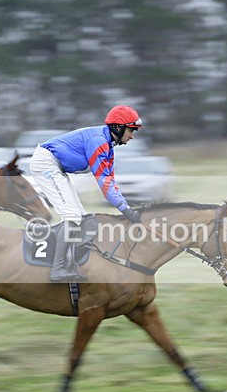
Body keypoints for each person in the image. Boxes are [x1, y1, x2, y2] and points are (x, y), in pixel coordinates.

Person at [30, 104, 143, 282]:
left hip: (57, 167)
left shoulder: (108, 147)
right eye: (131, 130)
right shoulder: (98, 142)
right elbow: (104, 184)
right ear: (119, 127)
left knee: (85, 219)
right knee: (72, 217)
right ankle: (58, 268)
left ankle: (70, 261)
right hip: (46, 163)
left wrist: (127, 208)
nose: (133, 135)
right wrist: (126, 211)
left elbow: (111, 181)